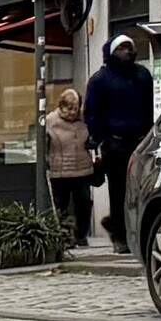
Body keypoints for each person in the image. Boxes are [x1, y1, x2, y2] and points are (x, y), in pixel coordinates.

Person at [84, 35, 155, 246]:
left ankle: (135, 232)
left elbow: (153, 104)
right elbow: (92, 112)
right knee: (118, 192)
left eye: (129, 47)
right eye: (122, 48)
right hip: (115, 144)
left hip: (141, 142)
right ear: (113, 52)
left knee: (143, 190)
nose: (127, 52)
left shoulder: (142, 75)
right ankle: (120, 236)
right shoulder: (100, 79)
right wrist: (100, 139)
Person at [41, 81, 97, 247]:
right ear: (61, 106)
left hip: (82, 169)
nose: (73, 112)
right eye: (69, 108)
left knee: (84, 204)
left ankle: (81, 235)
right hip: (60, 171)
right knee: (61, 205)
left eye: (76, 108)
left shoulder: (85, 120)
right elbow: (44, 144)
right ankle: (64, 237)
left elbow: (91, 138)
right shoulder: (50, 121)